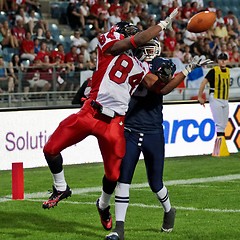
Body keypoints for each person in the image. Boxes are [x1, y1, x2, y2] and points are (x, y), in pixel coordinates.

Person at [41, 9, 210, 234]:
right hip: (91, 112)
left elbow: (162, 88)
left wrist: (187, 69)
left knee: (114, 176)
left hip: (115, 123)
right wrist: (162, 25)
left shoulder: (141, 68)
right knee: (50, 148)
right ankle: (61, 187)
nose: (143, 46)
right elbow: (136, 40)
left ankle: (103, 206)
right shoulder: (107, 45)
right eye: (129, 34)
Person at [105, 39, 191, 240]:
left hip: (153, 130)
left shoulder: (157, 63)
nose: (150, 52)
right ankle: (119, 228)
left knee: (156, 183)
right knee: (123, 178)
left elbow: (164, 85)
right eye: (146, 47)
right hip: (131, 129)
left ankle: (169, 210)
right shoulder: (130, 65)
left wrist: (174, 73)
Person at [198, 52, 230, 157]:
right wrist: (200, 96)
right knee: (219, 124)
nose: (223, 61)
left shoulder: (228, 71)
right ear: (218, 60)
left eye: (224, 59)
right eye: (221, 59)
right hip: (215, 97)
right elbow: (203, 83)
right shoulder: (214, 71)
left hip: (225, 99)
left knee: (224, 124)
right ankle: (218, 150)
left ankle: (220, 148)